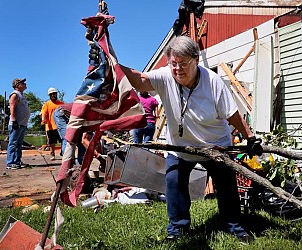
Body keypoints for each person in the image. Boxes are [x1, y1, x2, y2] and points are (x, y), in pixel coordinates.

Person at [105, 36, 263, 242]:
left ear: (196, 60)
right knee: (174, 182)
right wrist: (112, 63)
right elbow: (138, 79)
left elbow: (233, 114)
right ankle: (177, 229)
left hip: (215, 145)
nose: (177, 69)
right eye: (173, 63)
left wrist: (249, 137)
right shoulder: (165, 77)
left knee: (226, 185)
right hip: (181, 146)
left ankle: (233, 225)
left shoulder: (213, 82)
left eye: (183, 63)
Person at [6, 78, 30, 170]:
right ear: (17, 85)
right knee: (13, 143)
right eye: (22, 83)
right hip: (16, 124)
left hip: (22, 124)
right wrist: (14, 120)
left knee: (19, 144)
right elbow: (12, 107)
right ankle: (10, 162)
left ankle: (17, 161)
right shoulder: (15, 95)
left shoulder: (22, 95)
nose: (25, 84)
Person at [40, 87, 64, 160]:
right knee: (52, 142)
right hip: (50, 126)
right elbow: (43, 113)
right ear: (49, 95)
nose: (53, 95)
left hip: (60, 126)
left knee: (63, 140)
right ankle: (52, 154)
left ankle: (63, 152)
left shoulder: (61, 103)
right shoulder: (46, 104)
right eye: (51, 94)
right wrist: (43, 120)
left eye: (54, 94)